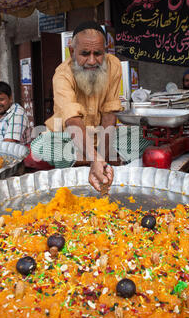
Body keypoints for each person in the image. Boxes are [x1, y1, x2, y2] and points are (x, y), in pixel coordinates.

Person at [31, 21, 143, 192]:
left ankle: (97, 164)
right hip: (67, 137)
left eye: (97, 53)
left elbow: (109, 114)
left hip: (101, 134)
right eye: (85, 53)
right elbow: (73, 121)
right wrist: (94, 158)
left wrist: (103, 160)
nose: (92, 61)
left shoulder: (113, 65)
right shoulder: (62, 74)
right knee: (40, 146)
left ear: (104, 51)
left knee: (142, 138)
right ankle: (85, 166)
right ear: (72, 51)